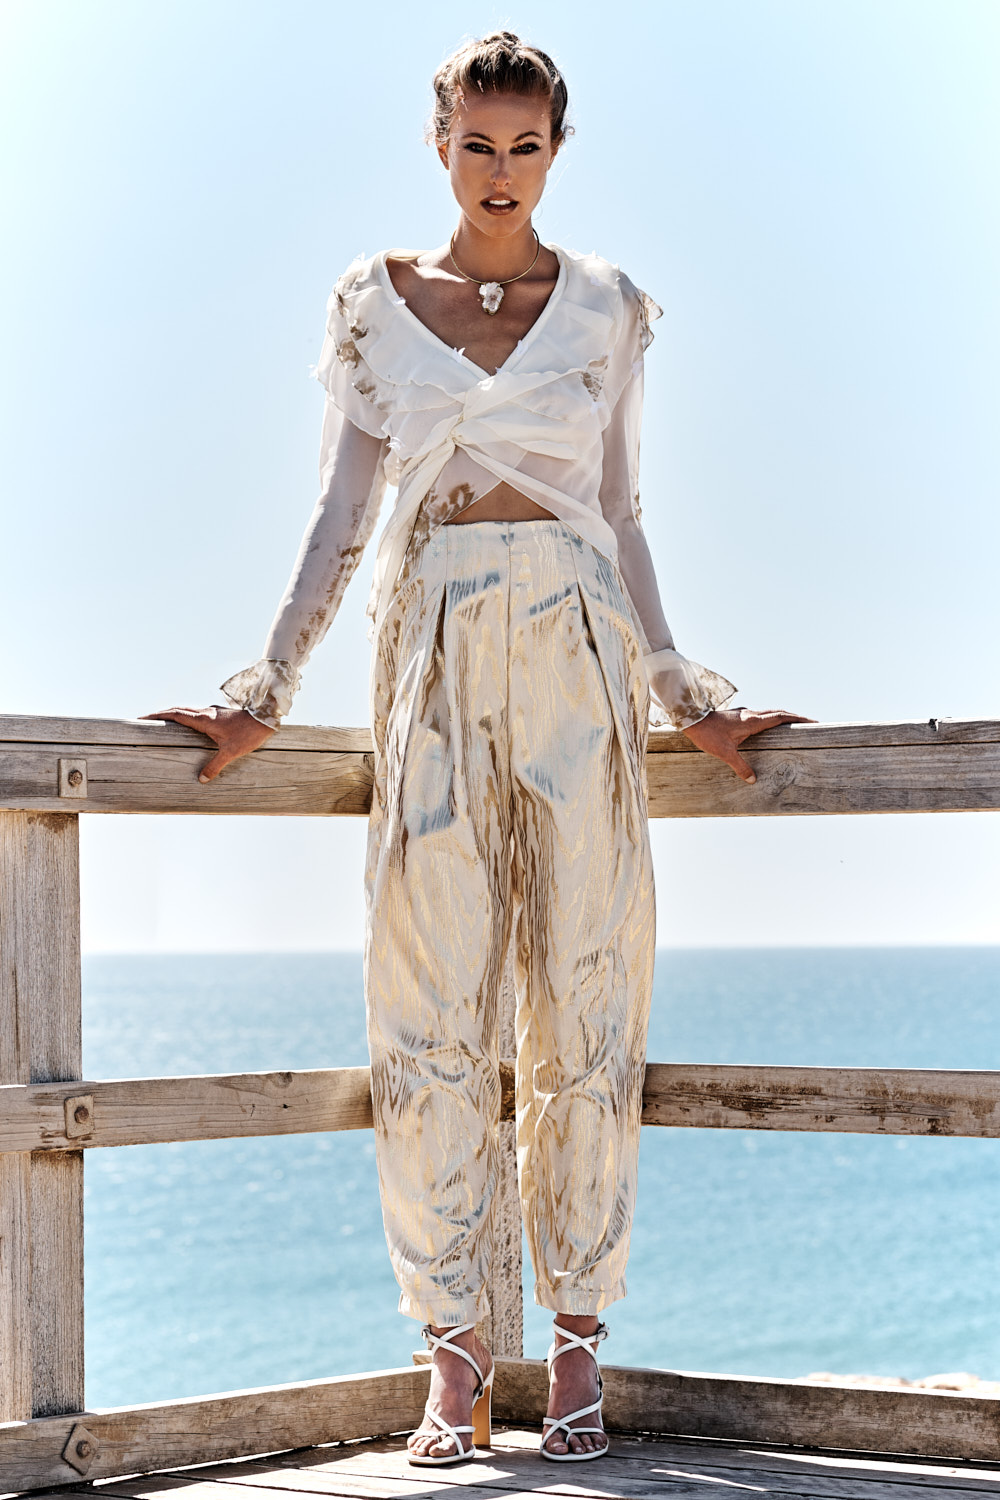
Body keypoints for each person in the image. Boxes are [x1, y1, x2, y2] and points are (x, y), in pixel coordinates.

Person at [144, 31, 809, 1468]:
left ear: (556, 151)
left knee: (587, 996)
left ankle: (574, 1346)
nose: (499, 174)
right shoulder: (373, 306)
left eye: (525, 148)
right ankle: (453, 1352)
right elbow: (342, 512)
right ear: (436, 141)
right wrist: (265, 684)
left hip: (577, 646)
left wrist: (684, 689)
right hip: (433, 642)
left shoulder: (613, 307)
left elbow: (624, 516)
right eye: (476, 144)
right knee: (429, 1005)